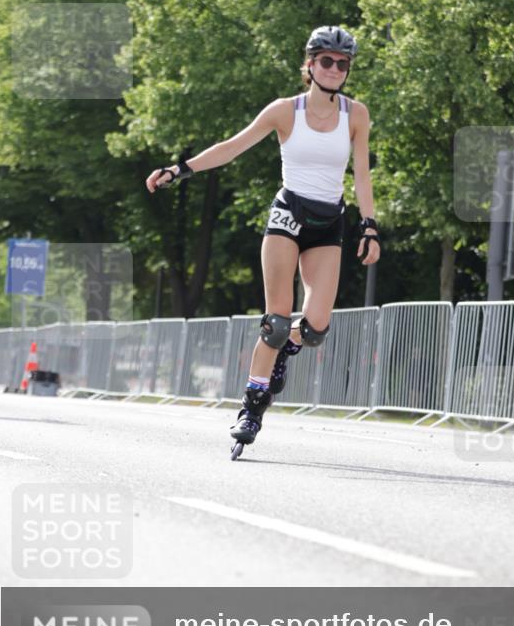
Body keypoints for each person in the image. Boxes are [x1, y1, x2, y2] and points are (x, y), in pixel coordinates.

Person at [146, 25, 381, 452]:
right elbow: (232, 147)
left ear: (347, 70)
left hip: (330, 222)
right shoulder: (284, 111)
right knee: (275, 322)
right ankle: (252, 408)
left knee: (315, 328)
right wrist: (180, 170)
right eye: (325, 60)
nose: (333, 68)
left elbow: (361, 174)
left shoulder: (356, 115)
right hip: (288, 215)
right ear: (309, 65)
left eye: (341, 63)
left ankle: (283, 355)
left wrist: (369, 225)